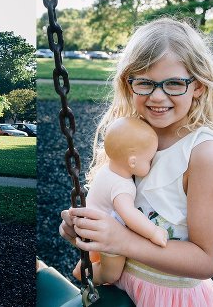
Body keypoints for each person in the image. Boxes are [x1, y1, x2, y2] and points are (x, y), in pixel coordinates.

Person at [58, 18, 213, 306]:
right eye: (145, 83)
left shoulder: (202, 153)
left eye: (175, 84)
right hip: (121, 286)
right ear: (129, 85)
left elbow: (206, 261)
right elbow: (114, 212)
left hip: (170, 296)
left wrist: (122, 241)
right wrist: (87, 230)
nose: (157, 96)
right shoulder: (131, 134)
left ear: (199, 86)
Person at [71, 116, 165, 285]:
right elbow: (129, 214)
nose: (151, 163)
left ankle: (82, 267)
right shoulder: (123, 186)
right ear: (133, 162)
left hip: (93, 227)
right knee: (111, 275)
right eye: (149, 160)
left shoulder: (106, 170)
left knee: (96, 256)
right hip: (104, 234)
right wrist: (153, 232)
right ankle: (85, 274)